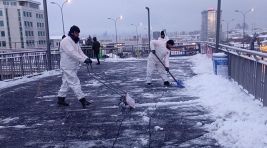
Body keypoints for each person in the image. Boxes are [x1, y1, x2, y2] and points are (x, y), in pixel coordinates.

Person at [57, 25, 93, 108]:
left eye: (78, 33)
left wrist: (86, 58)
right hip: (67, 66)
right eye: (77, 33)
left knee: (66, 83)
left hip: (73, 66)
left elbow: (79, 52)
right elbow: (72, 53)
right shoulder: (65, 41)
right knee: (75, 82)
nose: (78, 35)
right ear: (72, 32)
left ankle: (60, 99)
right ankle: (82, 100)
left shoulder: (75, 41)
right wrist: (83, 60)